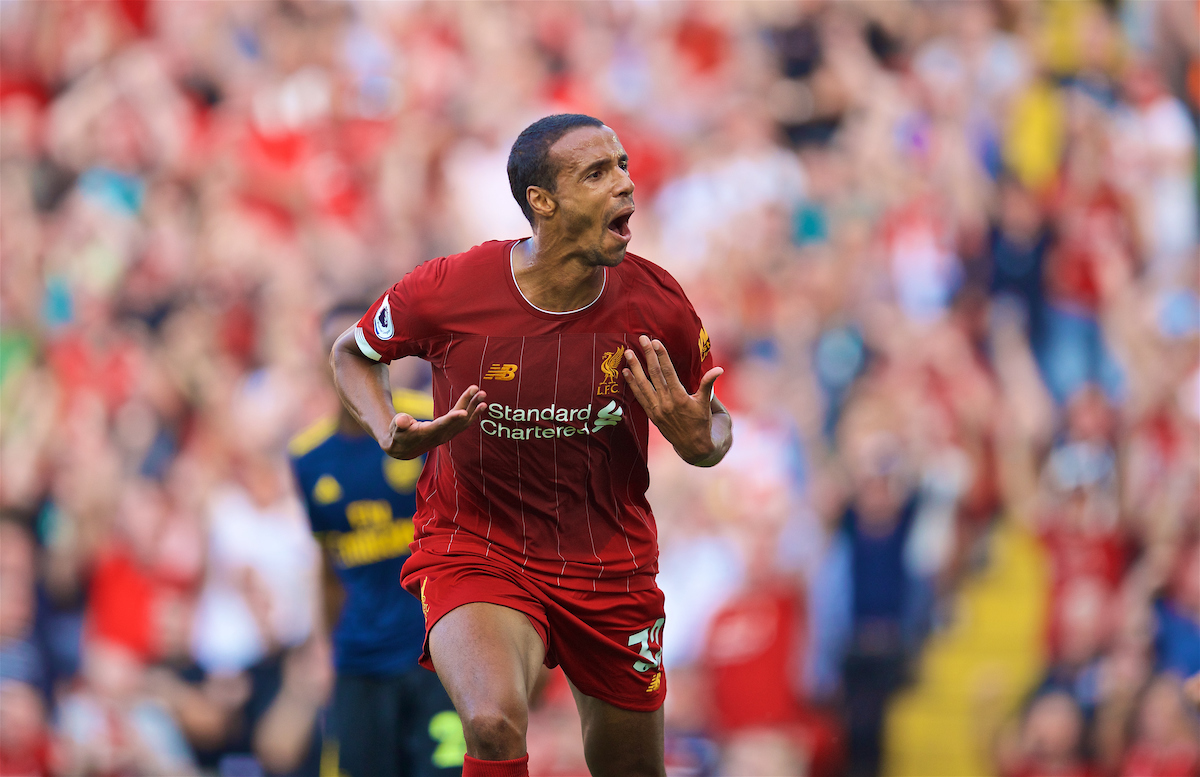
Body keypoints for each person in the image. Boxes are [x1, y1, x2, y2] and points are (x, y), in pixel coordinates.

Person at [330, 113, 733, 777]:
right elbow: (353, 352)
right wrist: (387, 431)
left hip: (608, 562)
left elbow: (713, 426)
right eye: (599, 173)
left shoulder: (656, 303)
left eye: (625, 166)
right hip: (476, 545)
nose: (625, 185)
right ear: (542, 201)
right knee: (492, 722)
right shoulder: (450, 288)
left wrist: (701, 441)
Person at [289, 306, 464, 777]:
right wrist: (325, 652)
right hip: (360, 662)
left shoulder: (429, 420)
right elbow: (330, 563)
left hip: (439, 655)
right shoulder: (309, 459)